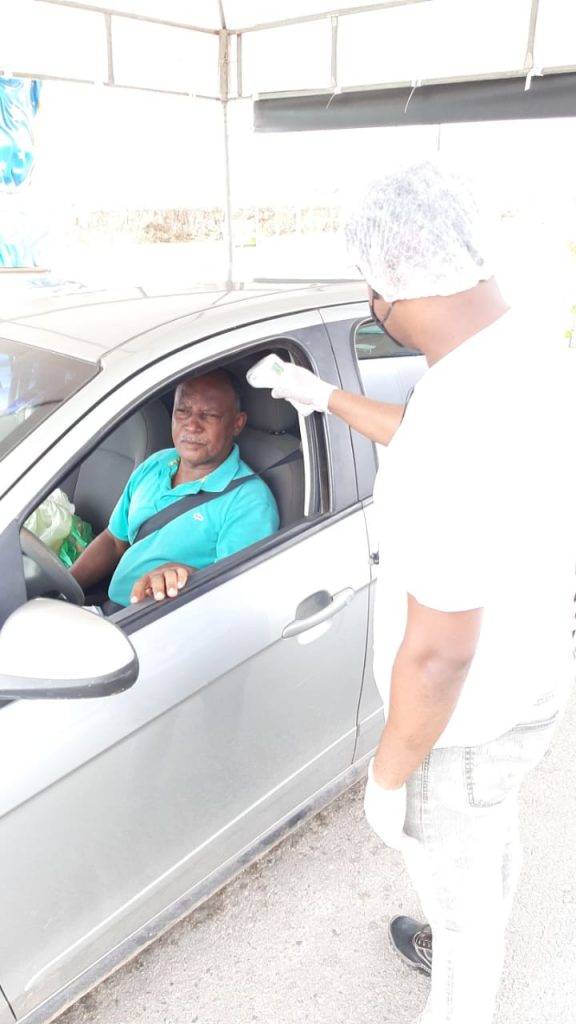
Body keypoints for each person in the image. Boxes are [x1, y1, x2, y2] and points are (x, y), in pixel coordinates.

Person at [248, 160, 576, 1024]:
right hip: (533, 674)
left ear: (388, 284)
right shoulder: (529, 350)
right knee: (488, 830)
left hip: (462, 720)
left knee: (461, 910)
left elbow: (438, 654)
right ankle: (475, 913)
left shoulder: (457, 422)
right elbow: (430, 434)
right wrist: (322, 394)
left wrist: (389, 775)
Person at [71, 369, 279, 608]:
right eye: (183, 411)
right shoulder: (156, 464)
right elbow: (114, 541)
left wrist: (188, 577)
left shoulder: (250, 501)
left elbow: (235, 595)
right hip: (109, 609)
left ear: (237, 423)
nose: (192, 425)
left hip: (160, 620)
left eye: (209, 415)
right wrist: (64, 587)